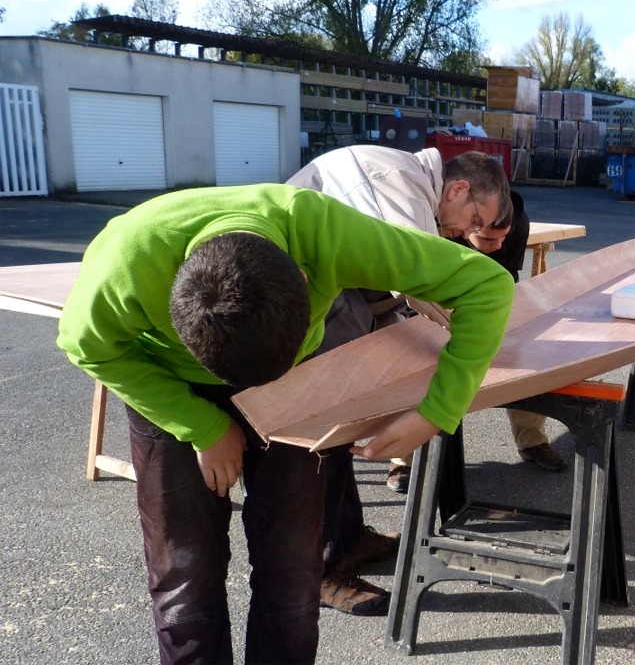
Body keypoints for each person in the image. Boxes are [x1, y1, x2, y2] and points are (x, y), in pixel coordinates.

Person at [56, 184, 514, 664]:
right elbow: (86, 346)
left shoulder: (328, 233)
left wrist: (436, 412)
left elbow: (486, 285)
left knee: (293, 571)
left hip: (294, 386)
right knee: (183, 575)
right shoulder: (129, 257)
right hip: (171, 384)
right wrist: (199, 424)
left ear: (303, 275)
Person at [286, 144, 511, 612]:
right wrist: (475, 332)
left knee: (341, 429)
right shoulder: (394, 180)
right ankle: (318, 572)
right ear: (458, 189)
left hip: (328, 301)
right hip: (296, 309)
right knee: (317, 435)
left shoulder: (415, 189)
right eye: (474, 220)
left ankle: (348, 539)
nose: (468, 233)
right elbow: (420, 283)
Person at [453, 190, 566, 471]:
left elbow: (507, 276)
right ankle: (406, 460)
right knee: (419, 369)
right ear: (469, 223)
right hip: (445, 293)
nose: (497, 245)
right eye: (488, 239)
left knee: (524, 356)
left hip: (492, 293)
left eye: (502, 238)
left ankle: (532, 441)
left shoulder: (518, 221)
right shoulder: (446, 223)